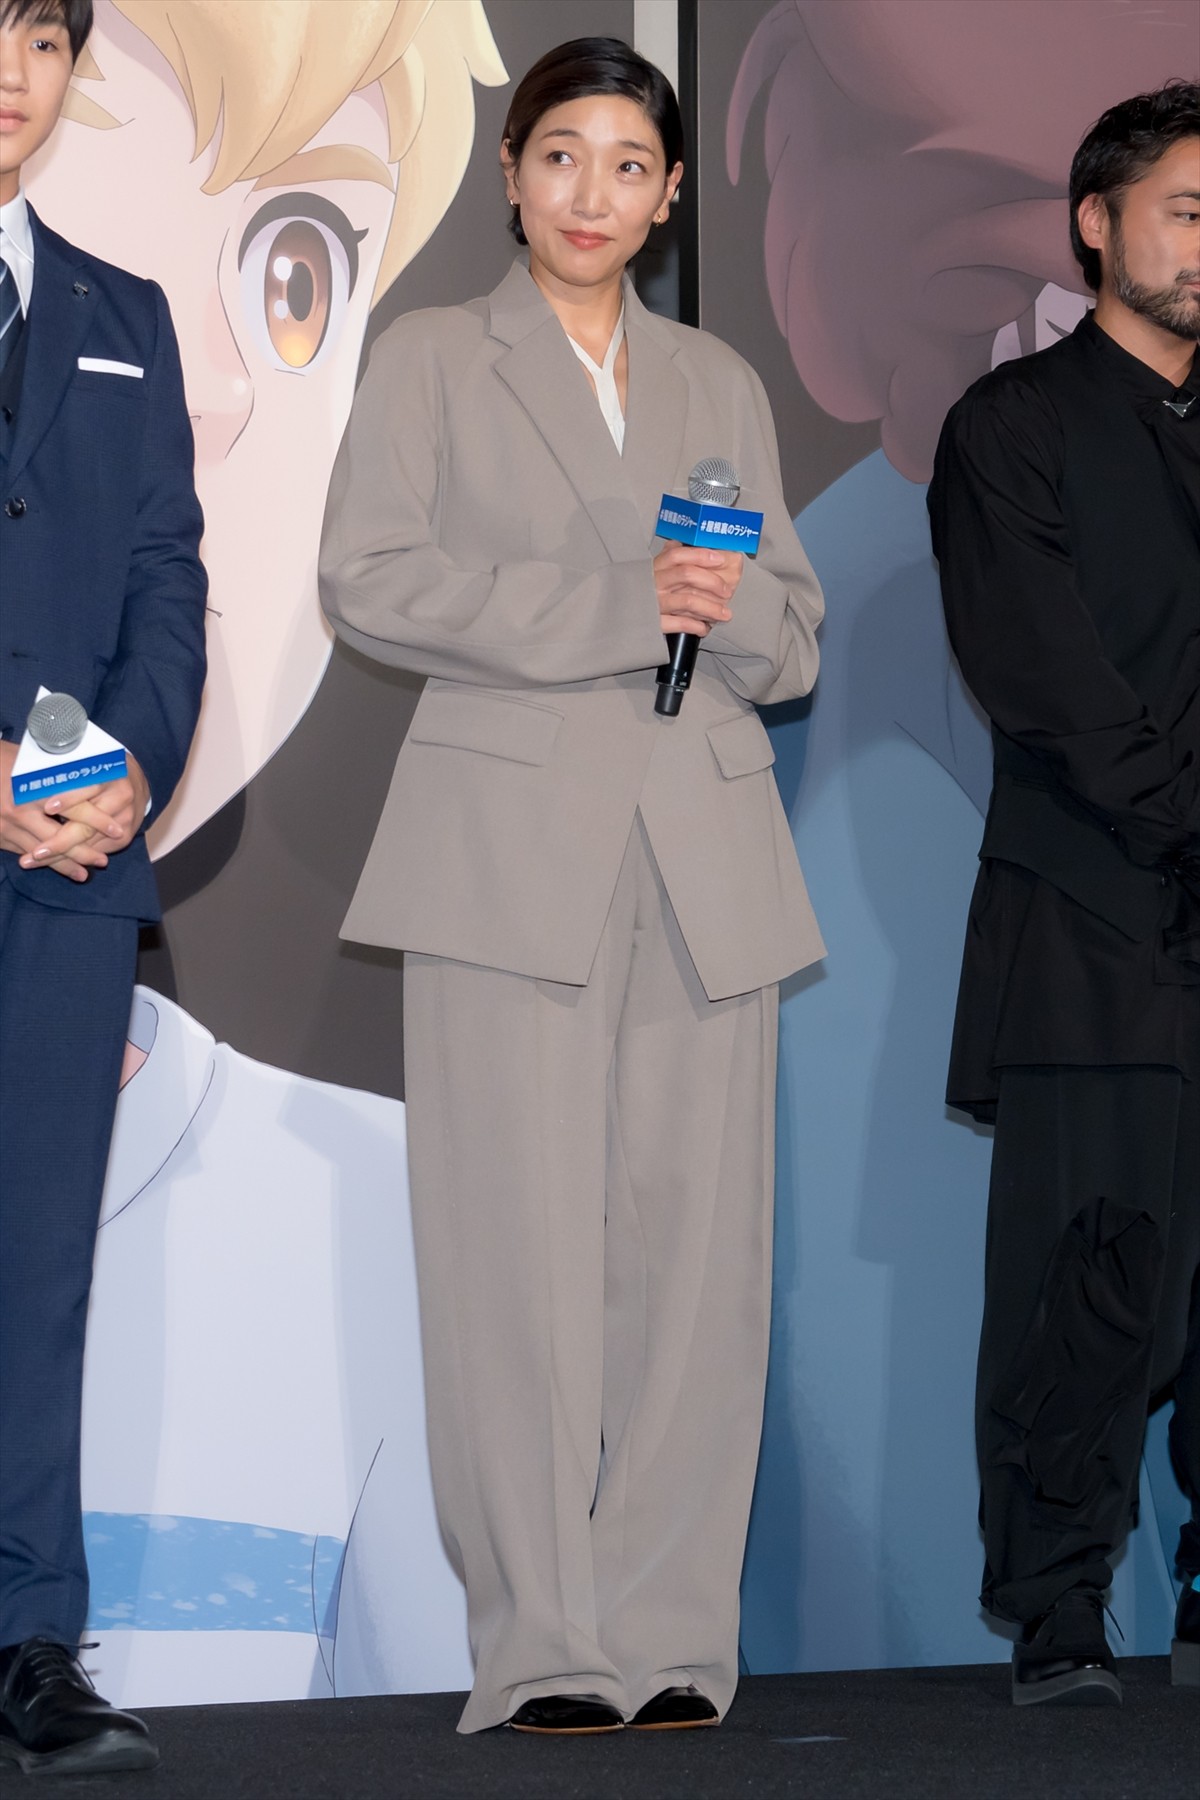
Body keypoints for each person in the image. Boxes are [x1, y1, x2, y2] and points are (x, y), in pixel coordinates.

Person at [319, 36, 825, 1736]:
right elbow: (371, 579)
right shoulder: (431, 355)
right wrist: (625, 601)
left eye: (627, 165)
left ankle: (675, 1633)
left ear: (670, 195)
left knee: (698, 1272)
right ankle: (542, 1646)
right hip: (503, 854)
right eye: (559, 157)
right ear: (511, 173)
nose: (590, 194)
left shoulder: (718, 380)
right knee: (510, 1267)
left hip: (707, 850)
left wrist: (725, 614)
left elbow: (793, 634)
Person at [927, 82, 1200, 1707]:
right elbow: (1048, 685)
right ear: (1097, 225)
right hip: (1094, 924)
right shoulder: (1011, 429)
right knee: (1087, 1278)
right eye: (1189, 211)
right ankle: (1057, 1611)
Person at [0, 0, 207, 1776]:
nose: (12, 73)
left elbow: (165, 575)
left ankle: (26, 1639)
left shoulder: (122, 310)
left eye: (42, 39)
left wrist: (125, 766)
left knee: (36, 1268)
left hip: (69, 873)